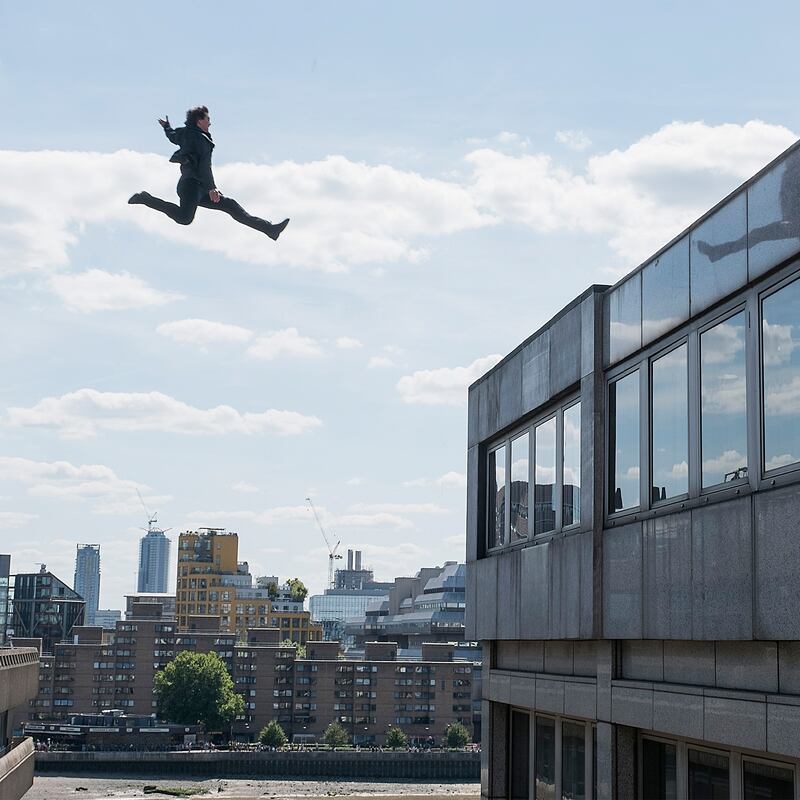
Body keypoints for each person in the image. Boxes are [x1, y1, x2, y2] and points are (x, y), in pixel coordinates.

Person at [129, 105, 289, 241]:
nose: (210, 123)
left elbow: (172, 137)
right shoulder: (201, 139)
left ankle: (270, 230)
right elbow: (205, 165)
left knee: (230, 206)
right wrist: (212, 187)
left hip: (196, 187)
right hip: (192, 185)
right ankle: (145, 198)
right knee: (184, 218)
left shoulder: (185, 133)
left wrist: (166, 127)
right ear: (200, 121)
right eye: (207, 119)